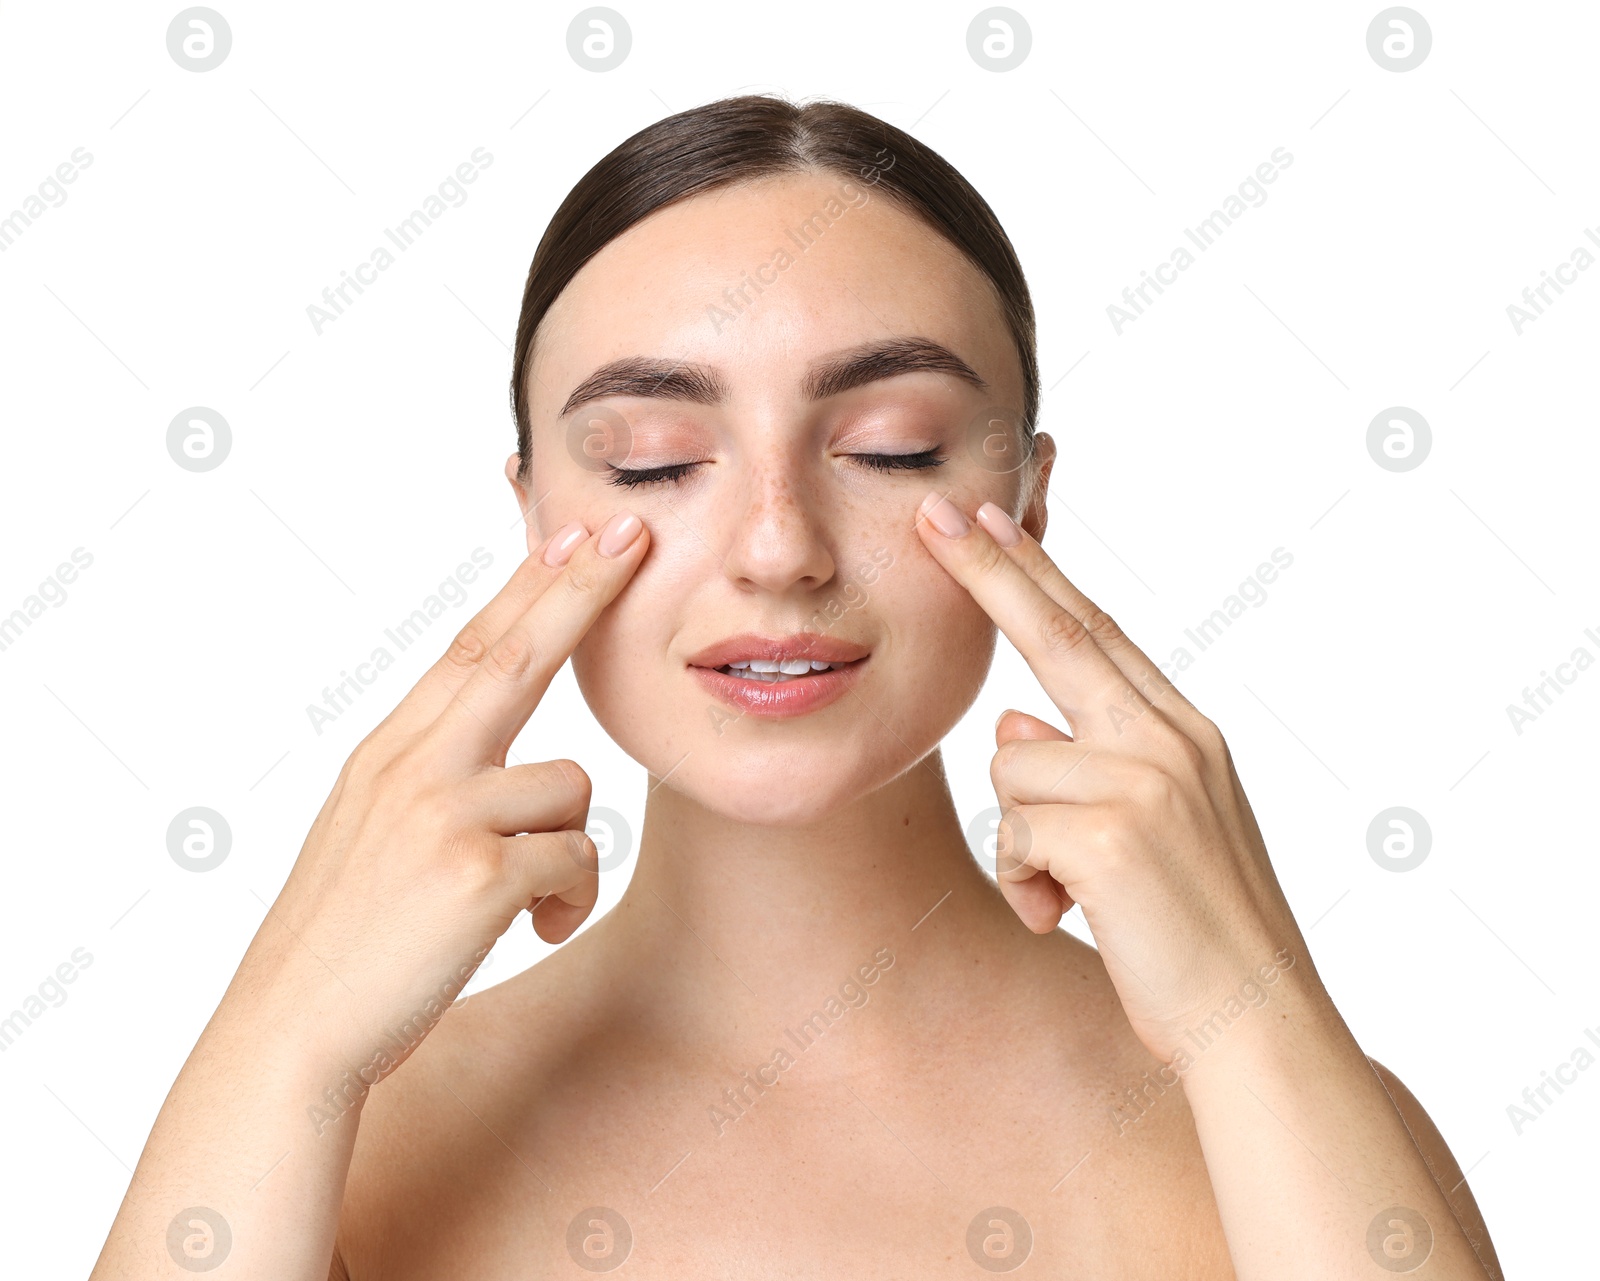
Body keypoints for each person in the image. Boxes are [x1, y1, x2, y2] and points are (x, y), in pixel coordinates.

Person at [90, 94, 1502, 1279]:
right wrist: (275, 1038)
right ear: (532, 514)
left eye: (891, 447)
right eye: (650, 457)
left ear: (1030, 496)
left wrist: (1257, 1010)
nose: (777, 546)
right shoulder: (350, 1145)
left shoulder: (1278, 1118)